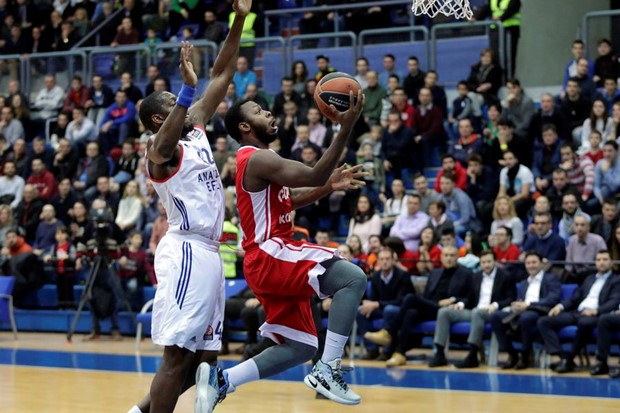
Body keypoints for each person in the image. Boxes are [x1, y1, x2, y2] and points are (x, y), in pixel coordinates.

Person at [126, 4, 251, 412]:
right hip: (186, 252)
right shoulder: (159, 151)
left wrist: (239, 19)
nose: (188, 98)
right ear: (161, 116)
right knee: (177, 355)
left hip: (210, 252)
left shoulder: (195, 124)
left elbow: (223, 72)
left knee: (202, 360)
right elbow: (162, 143)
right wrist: (184, 90)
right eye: (175, 99)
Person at [216, 78, 366, 405]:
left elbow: (292, 197)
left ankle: (224, 381)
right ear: (245, 126)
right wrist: (345, 128)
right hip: (272, 252)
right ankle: (328, 368)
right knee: (353, 278)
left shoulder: (264, 164)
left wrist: (328, 187)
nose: (268, 113)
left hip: (265, 262)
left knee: (301, 347)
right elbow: (312, 175)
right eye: (259, 111)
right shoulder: (256, 158)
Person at [538, 250, 620, 374]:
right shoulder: (589, 279)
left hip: (597, 314)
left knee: (585, 322)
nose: (601, 262)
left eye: (605, 259)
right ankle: (563, 356)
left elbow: (614, 301)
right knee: (544, 321)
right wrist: (560, 306)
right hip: (578, 312)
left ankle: (571, 358)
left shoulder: (616, 280)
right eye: (598, 260)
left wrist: (595, 311)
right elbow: (575, 298)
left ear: (611, 262)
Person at [432, 250, 516, 368]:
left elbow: (511, 298)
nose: (486, 265)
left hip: (493, 313)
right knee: (444, 312)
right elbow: (469, 298)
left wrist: (496, 305)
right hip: (475, 311)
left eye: (489, 261)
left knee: (477, 313)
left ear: (495, 262)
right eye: (483, 262)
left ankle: (472, 354)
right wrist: (460, 304)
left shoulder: (505, 276)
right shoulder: (475, 276)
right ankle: (439, 353)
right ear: (480, 264)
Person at [489, 250, 561, 369]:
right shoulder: (523, 283)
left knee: (526, 318)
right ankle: (512, 354)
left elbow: (553, 298)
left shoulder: (551, 278)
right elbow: (521, 300)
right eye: (528, 263)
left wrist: (528, 305)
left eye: (534, 262)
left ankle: (525, 355)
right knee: (495, 317)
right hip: (521, 311)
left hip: (540, 311)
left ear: (541, 263)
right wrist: (517, 305)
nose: (531, 265)